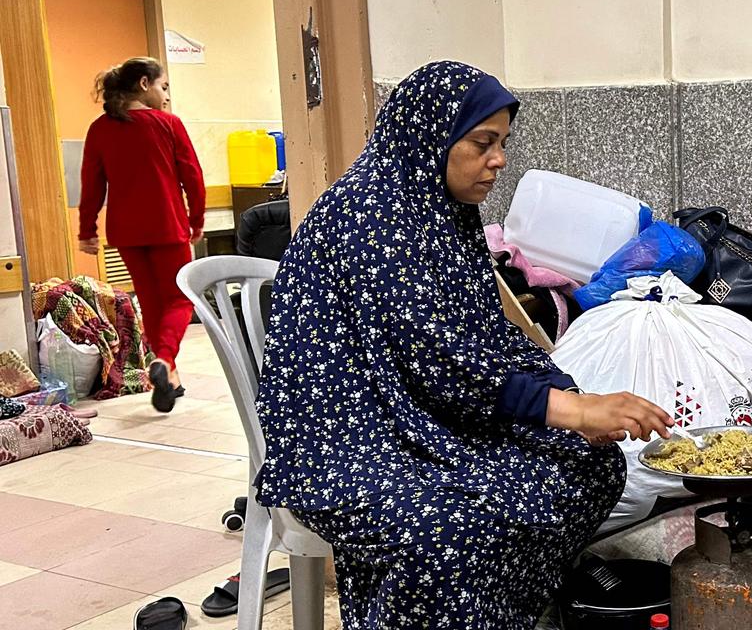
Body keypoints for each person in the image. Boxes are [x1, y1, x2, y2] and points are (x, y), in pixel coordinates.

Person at [255, 61, 673, 629]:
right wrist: (570, 409)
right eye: (482, 143)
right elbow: (435, 357)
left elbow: (487, 334)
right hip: (348, 438)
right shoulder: (370, 214)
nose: (498, 160)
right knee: (454, 528)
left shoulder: (446, 211)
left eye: (501, 143)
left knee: (587, 465)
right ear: (431, 135)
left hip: (427, 414)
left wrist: (571, 399)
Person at [79, 57, 205, 413]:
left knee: (151, 303)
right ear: (145, 84)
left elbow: (92, 185)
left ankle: (171, 380)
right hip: (168, 225)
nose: (166, 96)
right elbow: (192, 177)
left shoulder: (100, 129)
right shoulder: (168, 124)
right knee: (181, 299)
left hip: (127, 232)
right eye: (164, 87)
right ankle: (163, 361)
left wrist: (87, 230)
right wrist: (196, 219)